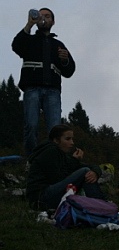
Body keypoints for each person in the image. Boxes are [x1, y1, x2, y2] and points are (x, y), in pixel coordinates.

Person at [12, 8, 76, 156]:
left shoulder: (58, 45)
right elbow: (16, 46)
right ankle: (32, 159)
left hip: (53, 91)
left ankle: (55, 159)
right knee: (31, 125)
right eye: (41, 15)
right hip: (32, 89)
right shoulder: (29, 40)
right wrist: (29, 24)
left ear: (53, 22)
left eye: (47, 16)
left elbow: (69, 71)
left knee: (55, 130)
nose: (44, 18)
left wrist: (65, 60)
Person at [25, 124, 105, 211]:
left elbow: (88, 166)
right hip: (41, 198)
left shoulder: (62, 154)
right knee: (85, 171)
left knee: (88, 171)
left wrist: (96, 172)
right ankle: (101, 207)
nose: (72, 143)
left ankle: (100, 205)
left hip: (48, 194)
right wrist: (74, 161)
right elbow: (56, 179)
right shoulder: (49, 152)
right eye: (68, 139)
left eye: (72, 139)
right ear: (56, 140)